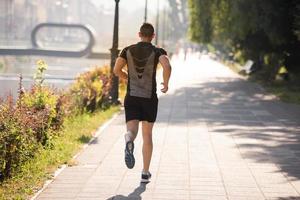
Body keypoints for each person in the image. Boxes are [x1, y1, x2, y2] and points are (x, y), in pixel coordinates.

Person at [113, 23, 172, 183]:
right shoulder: (157, 51)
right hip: (149, 98)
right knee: (147, 135)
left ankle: (128, 140)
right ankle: (145, 173)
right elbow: (166, 64)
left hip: (131, 97)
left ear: (139, 34)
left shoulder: (127, 50)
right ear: (153, 36)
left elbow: (116, 70)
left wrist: (126, 77)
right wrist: (166, 83)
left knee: (132, 131)